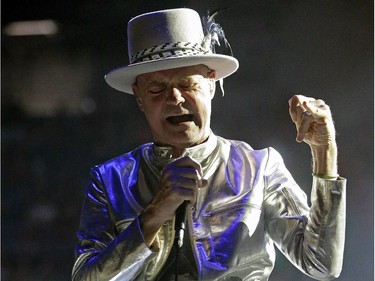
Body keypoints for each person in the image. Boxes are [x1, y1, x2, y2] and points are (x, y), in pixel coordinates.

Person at [72, 8, 346, 281]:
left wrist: (324, 152)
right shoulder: (109, 180)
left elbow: (321, 264)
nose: (175, 98)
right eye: (157, 89)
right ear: (139, 97)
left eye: (188, 84)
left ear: (212, 83)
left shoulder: (259, 168)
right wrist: (154, 214)